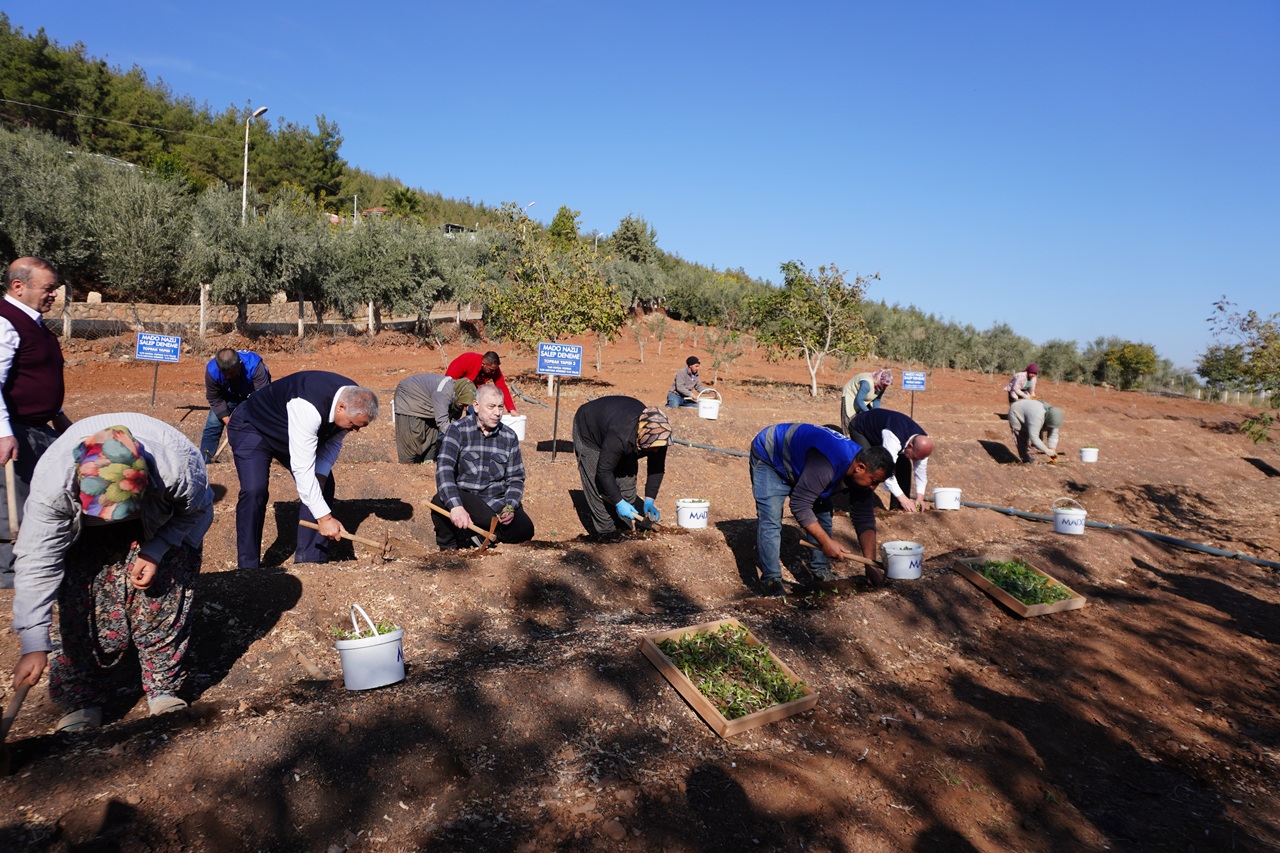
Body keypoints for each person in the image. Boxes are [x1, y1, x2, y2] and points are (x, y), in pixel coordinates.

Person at [10, 414, 213, 730]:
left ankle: (163, 688)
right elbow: (37, 558)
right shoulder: (53, 484)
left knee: (163, 594)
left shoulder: (179, 467)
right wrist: (33, 640)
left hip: (154, 521)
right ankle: (81, 698)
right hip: (83, 531)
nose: (110, 521)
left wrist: (157, 548)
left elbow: (197, 512)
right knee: (76, 601)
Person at [227, 371, 379, 569]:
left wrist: (320, 477)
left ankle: (311, 560)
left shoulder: (353, 397)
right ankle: (248, 567)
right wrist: (325, 518)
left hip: (290, 432)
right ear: (341, 408)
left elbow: (332, 444)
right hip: (254, 427)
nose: (355, 430)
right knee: (254, 489)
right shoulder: (308, 407)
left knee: (322, 483)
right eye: (353, 424)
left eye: (360, 426)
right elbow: (302, 468)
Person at [750, 423, 894, 595]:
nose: (874, 488)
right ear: (860, 468)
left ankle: (820, 570)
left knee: (823, 513)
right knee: (771, 518)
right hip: (771, 456)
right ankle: (771, 581)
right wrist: (826, 542)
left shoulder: (862, 468)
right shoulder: (828, 463)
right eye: (874, 481)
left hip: (805, 463)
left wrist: (870, 564)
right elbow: (799, 504)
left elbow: (864, 518)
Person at [0, 257, 74, 589]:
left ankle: (40, 563)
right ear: (19, 286)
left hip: (39, 426)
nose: (53, 295)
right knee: (15, 500)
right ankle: (11, 576)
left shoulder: (34, 323)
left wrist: (57, 416)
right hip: (15, 429)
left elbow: (34, 376)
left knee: (49, 495)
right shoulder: (5, 322)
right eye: (48, 289)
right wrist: (3, 433)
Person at [430, 385, 535, 550]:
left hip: (495, 502)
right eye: (491, 406)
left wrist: (510, 506)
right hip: (468, 499)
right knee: (440, 501)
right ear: (476, 406)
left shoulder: (509, 436)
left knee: (525, 529)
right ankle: (449, 547)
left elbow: (515, 477)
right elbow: (445, 470)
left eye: (501, 407)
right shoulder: (457, 430)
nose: (497, 412)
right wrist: (456, 507)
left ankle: (478, 537)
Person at [572, 396, 670, 538]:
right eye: (652, 448)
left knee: (627, 486)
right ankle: (607, 534)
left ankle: (624, 531)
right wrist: (618, 501)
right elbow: (604, 472)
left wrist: (650, 499)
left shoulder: (659, 435)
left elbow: (657, 468)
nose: (656, 451)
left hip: (620, 429)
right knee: (599, 487)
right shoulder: (620, 436)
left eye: (657, 448)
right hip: (590, 432)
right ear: (641, 437)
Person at [848, 408, 935, 513]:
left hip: (883, 433)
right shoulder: (893, 438)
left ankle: (898, 509)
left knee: (904, 465)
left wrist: (920, 498)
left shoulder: (923, 444)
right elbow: (887, 473)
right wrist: (903, 499)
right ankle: (858, 507)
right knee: (870, 466)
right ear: (911, 445)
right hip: (861, 428)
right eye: (915, 457)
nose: (915, 460)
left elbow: (920, 472)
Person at [199, 348, 271, 463]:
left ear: (240, 363)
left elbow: (262, 398)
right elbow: (215, 399)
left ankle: (263, 456)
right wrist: (229, 423)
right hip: (228, 394)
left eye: (232, 373)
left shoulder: (255, 366)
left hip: (252, 394)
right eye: (225, 374)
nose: (228, 377)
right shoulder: (212, 371)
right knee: (212, 425)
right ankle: (204, 459)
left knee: (260, 425)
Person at [393, 374, 476, 463]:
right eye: (463, 405)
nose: (465, 409)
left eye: (467, 405)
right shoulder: (443, 394)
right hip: (410, 396)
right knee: (411, 437)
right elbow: (443, 423)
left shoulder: (458, 395)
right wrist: (461, 440)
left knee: (432, 436)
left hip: (429, 400)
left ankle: (427, 462)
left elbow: (453, 421)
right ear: (458, 396)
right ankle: (408, 466)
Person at [446, 351, 516, 413]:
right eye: (491, 370)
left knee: (478, 409)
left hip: (473, 389)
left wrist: (511, 409)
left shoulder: (494, 369)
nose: (493, 372)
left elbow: (502, 387)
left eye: (495, 370)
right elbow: (449, 379)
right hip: (455, 387)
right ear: (483, 364)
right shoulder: (467, 360)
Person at [1008, 398, 1064, 463]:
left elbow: (1053, 435)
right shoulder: (1037, 417)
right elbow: (1034, 437)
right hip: (1016, 411)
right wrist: (1046, 450)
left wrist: (1052, 448)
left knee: (1039, 438)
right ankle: (1026, 460)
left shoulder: (1055, 417)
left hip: (1031, 414)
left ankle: (1031, 457)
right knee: (1022, 437)